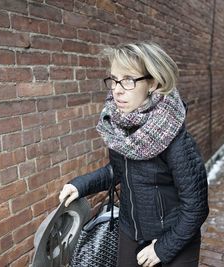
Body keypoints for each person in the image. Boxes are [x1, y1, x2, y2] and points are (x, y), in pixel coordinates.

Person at [59, 41, 209, 267]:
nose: (117, 89)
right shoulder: (119, 127)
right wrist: (80, 185)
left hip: (175, 237)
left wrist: (163, 248)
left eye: (128, 80)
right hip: (130, 230)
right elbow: (118, 171)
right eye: (115, 79)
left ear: (153, 83)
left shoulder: (176, 140)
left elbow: (196, 207)